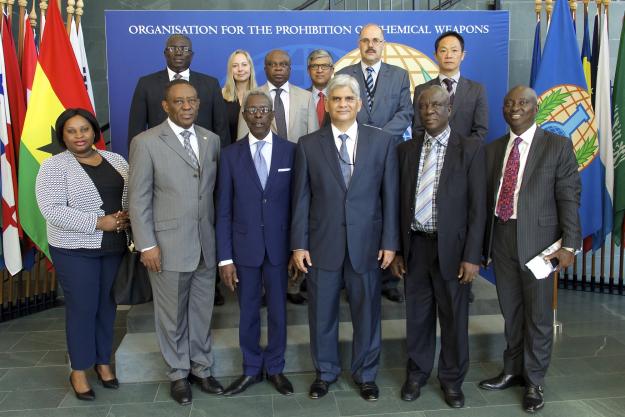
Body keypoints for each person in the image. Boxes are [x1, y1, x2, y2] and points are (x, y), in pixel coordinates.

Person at [290, 74, 399, 402]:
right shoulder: (309, 144)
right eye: (336, 99)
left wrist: (390, 242)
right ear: (328, 104)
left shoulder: (382, 142)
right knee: (321, 314)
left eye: (348, 100)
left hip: (367, 245)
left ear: (359, 104)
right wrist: (299, 243)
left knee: (367, 314)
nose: (342, 105)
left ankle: (366, 374)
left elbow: (389, 196)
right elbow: (301, 199)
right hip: (322, 246)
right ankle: (324, 373)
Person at [478, 86, 581, 413]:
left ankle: (534, 380)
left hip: (542, 245)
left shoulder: (557, 145)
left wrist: (570, 244)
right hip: (503, 237)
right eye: (509, 103)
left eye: (522, 103)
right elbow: (485, 201)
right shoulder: (494, 150)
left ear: (536, 107)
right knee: (511, 310)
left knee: (538, 315)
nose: (515, 108)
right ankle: (512, 370)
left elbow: (569, 196)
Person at [129, 79, 224, 406]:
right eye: (180, 102)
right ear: (165, 106)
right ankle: (178, 374)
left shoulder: (211, 140)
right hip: (165, 247)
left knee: (201, 311)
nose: (187, 107)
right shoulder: (147, 142)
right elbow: (138, 199)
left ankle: (201, 368)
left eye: (192, 101)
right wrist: (146, 245)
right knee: (171, 315)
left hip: (204, 244)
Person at [390, 86, 486, 408]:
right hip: (416, 247)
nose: (429, 110)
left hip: (454, 252)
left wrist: (473, 256)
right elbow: (397, 204)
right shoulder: (406, 150)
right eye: (424, 105)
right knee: (417, 317)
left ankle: (452, 380)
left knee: (454, 318)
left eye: (437, 105)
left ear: (450, 108)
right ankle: (416, 374)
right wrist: (398, 250)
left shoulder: (470, 149)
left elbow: (478, 208)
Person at [36, 108, 129, 401]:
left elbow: (129, 196)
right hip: (74, 249)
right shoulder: (53, 166)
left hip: (114, 247)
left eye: (84, 129)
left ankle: (103, 362)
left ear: (94, 132)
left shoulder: (117, 160)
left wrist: (125, 218)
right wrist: (98, 222)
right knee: (83, 308)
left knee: (107, 306)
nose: (79, 136)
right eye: (71, 131)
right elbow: (51, 209)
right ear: (62, 136)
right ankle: (79, 369)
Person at [216, 90, 295, 396]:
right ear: (245, 116)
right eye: (253, 111)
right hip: (244, 249)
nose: (259, 115)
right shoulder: (229, 155)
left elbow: (297, 205)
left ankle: (275, 367)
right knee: (248, 311)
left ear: (272, 114)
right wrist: (225, 258)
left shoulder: (291, 152)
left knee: (278, 311)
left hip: (279, 248)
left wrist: (297, 248)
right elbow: (222, 210)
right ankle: (251, 368)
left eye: (264, 110)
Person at [337, 23, 413, 303]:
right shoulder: (345, 74)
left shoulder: (400, 76)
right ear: (359, 44)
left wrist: (377, 137)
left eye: (376, 41)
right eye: (366, 40)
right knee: (356, 211)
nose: (371, 45)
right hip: (351, 155)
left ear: (384, 44)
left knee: (387, 208)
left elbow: (406, 112)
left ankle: (389, 278)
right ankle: (352, 273)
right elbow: (339, 112)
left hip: (387, 153)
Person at [260, 48, 318, 305]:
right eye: (274, 65)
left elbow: (313, 138)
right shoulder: (254, 96)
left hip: (297, 174)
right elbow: (243, 138)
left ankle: (294, 285)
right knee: (267, 229)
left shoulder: (305, 97)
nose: (279, 69)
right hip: (264, 178)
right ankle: (266, 287)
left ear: (290, 68)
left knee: (295, 228)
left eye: (284, 64)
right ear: (266, 68)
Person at [128, 34, 230, 148]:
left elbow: (221, 129)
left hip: (202, 156)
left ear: (191, 55)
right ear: (165, 53)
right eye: (173, 48)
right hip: (159, 156)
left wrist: (223, 163)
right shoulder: (146, 84)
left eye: (184, 49)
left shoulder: (211, 84)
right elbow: (136, 130)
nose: (178, 53)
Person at [412, 31, 488, 143]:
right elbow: (418, 129)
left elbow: (480, 130)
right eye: (443, 50)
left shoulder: (477, 90)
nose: (449, 55)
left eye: (454, 50)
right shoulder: (422, 90)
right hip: (431, 154)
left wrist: (463, 152)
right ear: (435, 55)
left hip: (465, 155)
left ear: (462, 55)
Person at [222, 49, 258, 142]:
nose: (240, 69)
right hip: (228, 151)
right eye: (235, 66)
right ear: (230, 70)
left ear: (250, 67)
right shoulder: (220, 96)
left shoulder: (261, 96)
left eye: (244, 65)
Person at [306, 49, 334, 128]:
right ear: (308, 71)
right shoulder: (300, 98)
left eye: (324, 66)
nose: (319, 70)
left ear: (332, 70)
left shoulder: (341, 97)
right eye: (314, 66)